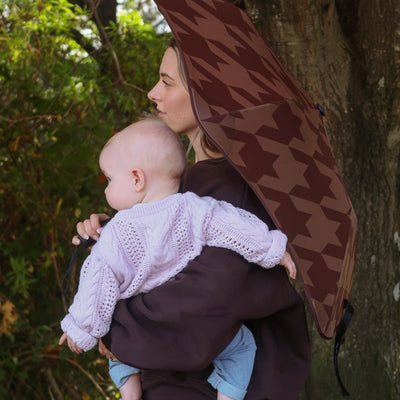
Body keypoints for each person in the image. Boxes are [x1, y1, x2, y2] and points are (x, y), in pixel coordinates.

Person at [76, 38, 311, 400]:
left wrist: (112, 329)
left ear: (206, 93)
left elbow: (204, 299)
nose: (153, 93)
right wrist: (114, 237)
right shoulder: (185, 185)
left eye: (167, 82)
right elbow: (161, 262)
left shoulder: (231, 189)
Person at [61, 117, 296, 400]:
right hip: (198, 330)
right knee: (243, 346)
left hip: (140, 332)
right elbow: (234, 227)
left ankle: (130, 394)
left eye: (109, 179)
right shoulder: (195, 208)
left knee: (118, 360)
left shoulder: (117, 233)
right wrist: (272, 249)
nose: (106, 188)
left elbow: (97, 281)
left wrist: (80, 328)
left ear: (137, 179)